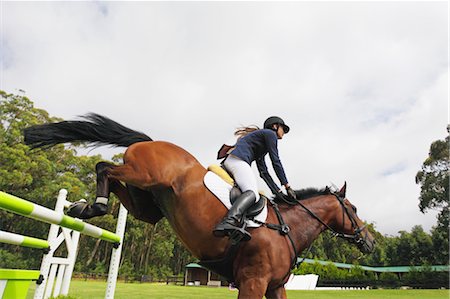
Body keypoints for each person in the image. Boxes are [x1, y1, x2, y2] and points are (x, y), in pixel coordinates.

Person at [213, 116, 297, 241]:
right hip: (238, 160)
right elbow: (276, 161)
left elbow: (263, 172)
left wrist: (278, 193)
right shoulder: (270, 134)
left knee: (252, 191)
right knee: (252, 193)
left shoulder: (261, 144)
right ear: (275, 126)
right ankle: (229, 221)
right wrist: (287, 186)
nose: (283, 132)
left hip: (233, 160)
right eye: (283, 129)